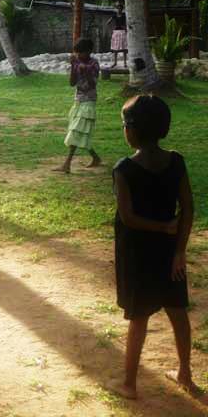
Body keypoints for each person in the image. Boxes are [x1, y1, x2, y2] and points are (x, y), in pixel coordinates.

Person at [109, 95, 196, 400]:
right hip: (170, 254)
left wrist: (161, 228)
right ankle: (185, 373)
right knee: (178, 312)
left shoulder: (124, 169)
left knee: (139, 318)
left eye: (124, 124)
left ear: (131, 130)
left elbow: (128, 218)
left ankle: (129, 384)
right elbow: (188, 208)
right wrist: (179, 250)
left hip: (138, 255)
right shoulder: (176, 162)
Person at [54, 38, 102, 173]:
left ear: (89, 51)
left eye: (81, 52)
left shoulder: (94, 63)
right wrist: (73, 67)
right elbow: (72, 83)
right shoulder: (77, 63)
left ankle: (67, 164)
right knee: (79, 131)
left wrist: (85, 70)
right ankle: (96, 158)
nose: (78, 55)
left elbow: (92, 84)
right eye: (77, 53)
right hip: (78, 100)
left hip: (89, 101)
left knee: (76, 130)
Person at [107, 2, 128, 68]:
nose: (119, 9)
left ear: (122, 9)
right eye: (118, 8)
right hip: (116, 32)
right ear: (117, 9)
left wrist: (126, 28)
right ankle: (115, 63)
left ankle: (125, 63)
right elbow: (108, 22)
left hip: (123, 32)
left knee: (124, 48)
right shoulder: (114, 15)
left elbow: (127, 22)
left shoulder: (124, 15)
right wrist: (112, 29)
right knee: (115, 48)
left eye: (120, 8)